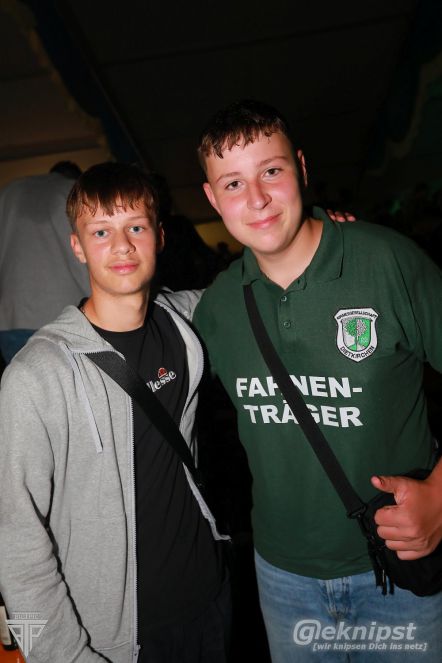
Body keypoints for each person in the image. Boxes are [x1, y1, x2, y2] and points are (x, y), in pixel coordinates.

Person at [193, 100, 442, 661]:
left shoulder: (387, 263)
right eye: (233, 183)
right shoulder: (216, 308)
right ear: (211, 198)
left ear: (302, 168)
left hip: (400, 570)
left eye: (271, 171)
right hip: (284, 580)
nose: (256, 198)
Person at [0, 163, 230, 663]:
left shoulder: (188, 320)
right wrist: (59, 656)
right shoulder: (35, 375)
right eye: (101, 231)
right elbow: (13, 541)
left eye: (136, 227)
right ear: (77, 246)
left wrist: (325, 231)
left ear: (160, 237)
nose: (122, 245)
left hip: (210, 602)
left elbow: (260, 282)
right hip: (116, 640)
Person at [0, 161, 90, 364]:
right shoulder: (75, 192)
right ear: (76, 177)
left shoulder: (9, 192)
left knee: (24, 383)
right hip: (66, 313)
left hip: (10, 317)